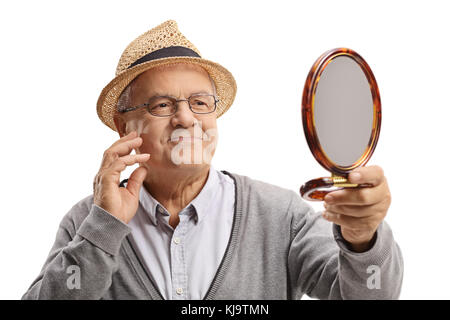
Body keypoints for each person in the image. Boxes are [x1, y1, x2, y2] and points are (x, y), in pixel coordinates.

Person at [22, 20, 403, 300]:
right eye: (163, 105)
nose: (186, 118)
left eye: (200, 103)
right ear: (125, 127)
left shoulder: (279, 214)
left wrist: (362, 238)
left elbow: (371, 295)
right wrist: (102, 230)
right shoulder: (87, 222)